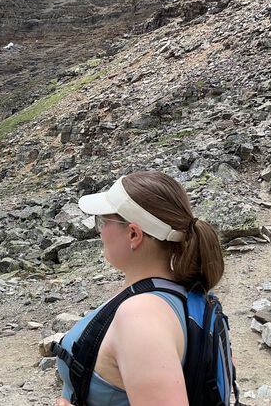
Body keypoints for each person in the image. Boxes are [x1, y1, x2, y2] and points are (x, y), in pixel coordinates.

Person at [55, 171, 225, 406]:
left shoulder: (140, 316)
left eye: (103, 221)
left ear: (134, 234)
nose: (100, 232)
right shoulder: (184, 294)